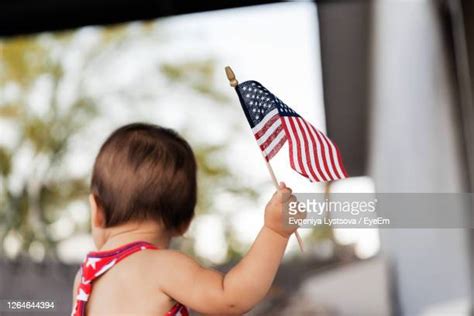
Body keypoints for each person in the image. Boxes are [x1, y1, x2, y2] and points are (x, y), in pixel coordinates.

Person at [72, 123, 297, 316]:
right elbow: (231, 298)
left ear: (97, 210)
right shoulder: (164, 267)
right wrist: (275, 232)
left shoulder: (83, 280)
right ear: (185, 222)